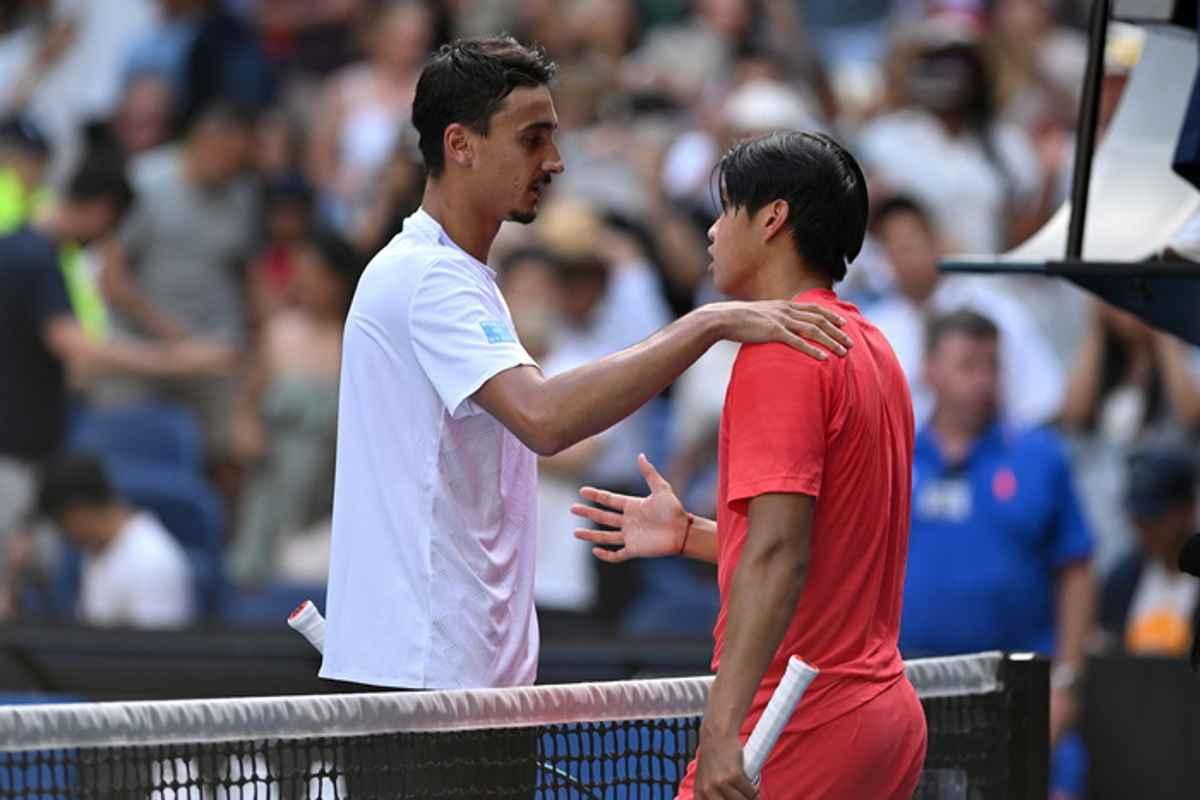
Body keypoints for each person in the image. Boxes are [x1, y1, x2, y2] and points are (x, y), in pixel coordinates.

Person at [319, 37, 853, 693]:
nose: (556, 161)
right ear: (460, 145)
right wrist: (708, 321)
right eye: (532, 139)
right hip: (422, 679)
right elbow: (544, 419)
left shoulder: (455, 274)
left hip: (457, 678)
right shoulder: (428, 276)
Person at [574, 131, 926, 799]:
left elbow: (778, 553)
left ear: (772, 219)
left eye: (724, 208)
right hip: (883, 719)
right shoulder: (874, 346)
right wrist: (690, 536)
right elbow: (828, 543)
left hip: (802, 722)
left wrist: (720, 729)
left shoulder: (782, 349)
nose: (710, 232)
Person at [0, 158, 230, 618]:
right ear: (105, 211)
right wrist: (180, 362)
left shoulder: (14, 249)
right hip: (14, 462)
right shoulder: (38, 259)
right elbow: (78, 349)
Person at [899, 310, 1095, 799]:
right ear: (931, 371)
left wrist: (1066, 684)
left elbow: (1076, 569)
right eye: (968, 365)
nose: (983, 381)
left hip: (1017, 700)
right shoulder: (894, 454)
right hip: (906, 700)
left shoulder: (1040, 456)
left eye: (992, 365)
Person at [228, 231, 364, 586]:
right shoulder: (280, 331)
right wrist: (248, 430)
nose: (303, 282)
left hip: (333, 480)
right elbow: (248, 403)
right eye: (299, 272)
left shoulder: (359, 338)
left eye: (314, 273)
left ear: (337, 279)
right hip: (275, 472)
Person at [25, 455, 194, 629]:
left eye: (61, 523)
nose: (63, 535)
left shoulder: (151, 561)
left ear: (78, 512)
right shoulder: (95, 549)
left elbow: (156, 651)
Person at [1100, 445, 1199, 658]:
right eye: (1138, 520)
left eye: (1156, 519)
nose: (1145, 529)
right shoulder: (1122, 581)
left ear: (1187, 510)